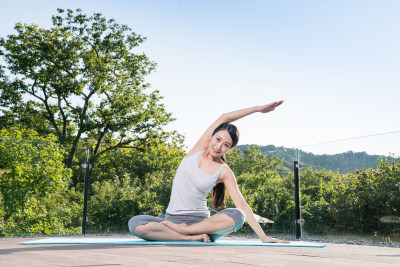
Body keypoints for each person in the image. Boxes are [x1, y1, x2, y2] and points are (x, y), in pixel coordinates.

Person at [128, 101, 288, 243]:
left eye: (226, 145)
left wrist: (264, 237)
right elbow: (224, 117)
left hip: (203, 225)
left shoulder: (223, 171)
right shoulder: (197, 149)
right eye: (218, 139)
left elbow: (242, 206)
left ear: (230, 149)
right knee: (135, 223)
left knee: (238, 216)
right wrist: (258, 109)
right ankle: (187, 237)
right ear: (211, 137)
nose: (219, 147)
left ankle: (188, 232)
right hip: (172, 222)